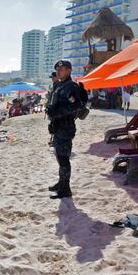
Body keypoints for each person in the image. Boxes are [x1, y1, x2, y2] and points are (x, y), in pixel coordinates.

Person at [46, 60, 82, 199]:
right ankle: (61, 183)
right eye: (57, 69)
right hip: (58, 126)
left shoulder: (71, 86)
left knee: (64, 158)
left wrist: (56, 111)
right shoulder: (60, 85)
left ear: (69, 70)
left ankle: (65, 189)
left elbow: (76, 106)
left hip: (65, 127)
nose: (59, 71)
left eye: (62, 69)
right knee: (59, 157)